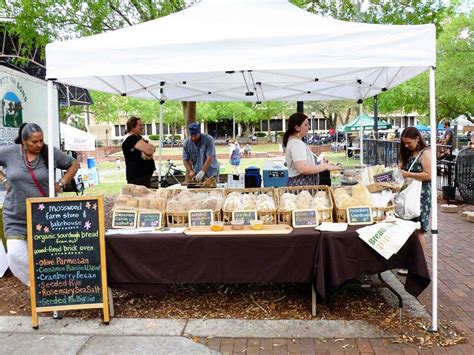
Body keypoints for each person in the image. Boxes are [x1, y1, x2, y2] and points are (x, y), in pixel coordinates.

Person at [0, 123, 79, 285]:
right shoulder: (10, 153)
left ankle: (51, 288)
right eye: (34, 142)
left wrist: (62, 182)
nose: (39, 145)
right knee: (15, 256)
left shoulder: (49, 152)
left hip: (45, 215)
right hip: (16, 215)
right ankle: (37, 286)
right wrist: (3, 179)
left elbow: (74, 164)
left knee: (47, 256)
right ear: (23, 142)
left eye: (41, 140)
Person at [398, 127, 431, 275]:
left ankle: (418, 265)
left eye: (408, 142)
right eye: (404, 143)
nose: (406, 146)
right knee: (410, 229)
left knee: (419, 230)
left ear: (417, 139)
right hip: (410, 194)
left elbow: (429, 175)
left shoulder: (426, 153)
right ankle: (412, 263)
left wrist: (408, 174)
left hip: (420, 196)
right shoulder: (410, 153)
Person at [282, 113, 340, 186]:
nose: (308, 127)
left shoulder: (295, 142)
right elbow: (302, 168)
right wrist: (325, 166)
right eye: (306, 125)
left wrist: (321, 163)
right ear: (297, 128)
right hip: (301, 186)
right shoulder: (296, 144)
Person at [121, 117, 156, 187]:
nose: (142, 127)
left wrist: (150, 147)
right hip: (138, 177)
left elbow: (152, 148)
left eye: (142, 125)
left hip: (142, 176)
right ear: (132, 127)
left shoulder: (138, 138)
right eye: (140, 125)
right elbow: (150, 150)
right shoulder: (131, 139)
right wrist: (150, 147)